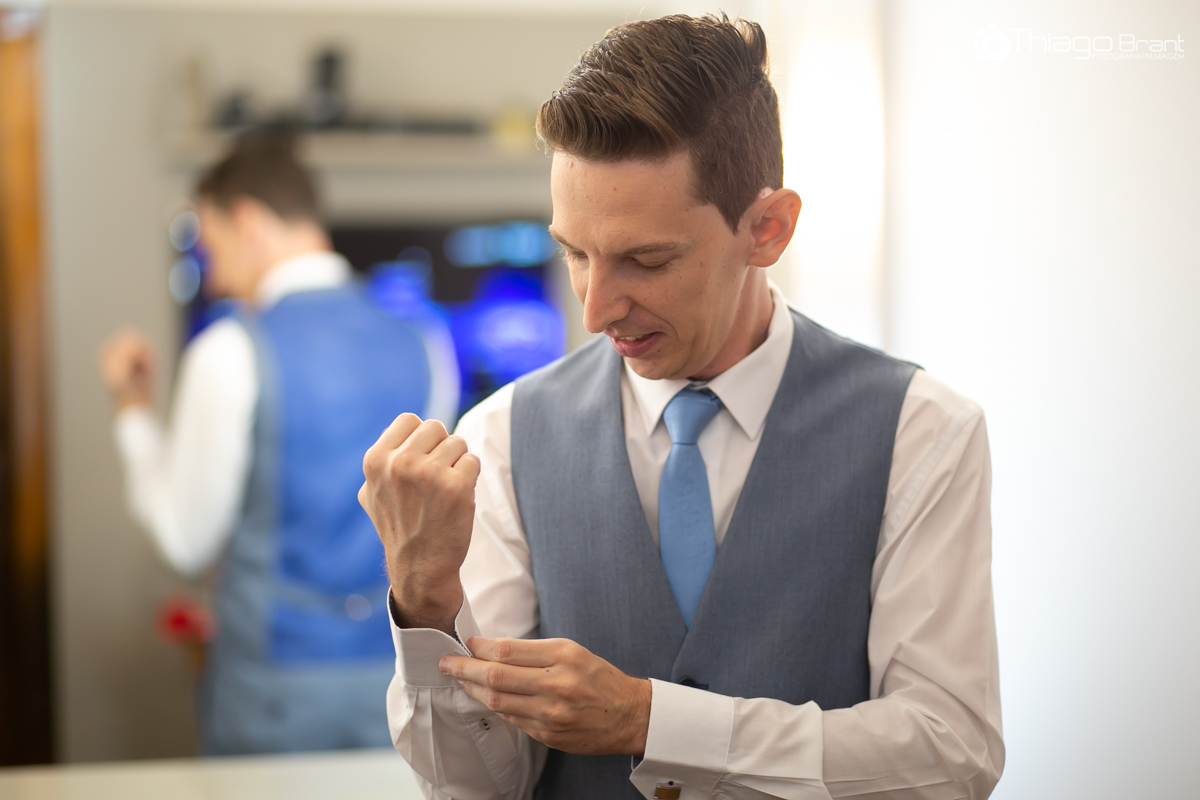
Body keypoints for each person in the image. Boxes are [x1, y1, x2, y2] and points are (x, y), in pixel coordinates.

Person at [359, 14, 1003, 800]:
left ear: (768, 230)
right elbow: (478, 789)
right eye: (575, 253)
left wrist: (651, 721)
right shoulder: (499, 437)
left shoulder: (921, 432)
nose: (595, 309)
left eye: (646, 259)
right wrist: (425, 602)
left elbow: (951, 756)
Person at [99, 133, 458, 755]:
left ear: (248, 223)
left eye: (210, 248)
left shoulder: (227, 350)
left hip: (272, 691)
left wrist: (133, 415)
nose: (213, 276)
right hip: (394, 680)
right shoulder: (426, 342)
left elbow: (185, 541)